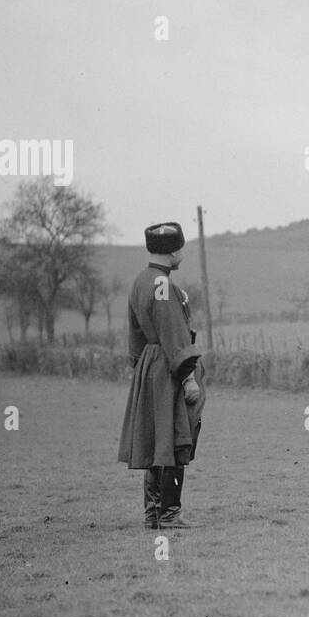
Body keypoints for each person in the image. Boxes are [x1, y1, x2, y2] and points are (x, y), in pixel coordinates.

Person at [118, 222, 207, 527]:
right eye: (181, 247)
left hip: (149, 365)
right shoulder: (163, 285)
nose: (183, 252)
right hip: (169, 366)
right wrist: (188, 377)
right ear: (172, 251)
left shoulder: (141, 281)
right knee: (176, 438)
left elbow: (134, 336)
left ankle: (153, 513)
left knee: (158, 440)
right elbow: (174, 336)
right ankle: (170, 513)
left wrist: (142, 367)